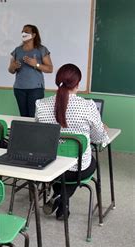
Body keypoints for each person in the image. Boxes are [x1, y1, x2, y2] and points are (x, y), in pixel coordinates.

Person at [35, 63, 109, 220]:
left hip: (50, 167)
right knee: (88, 162)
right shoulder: (88, 106)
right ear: (77, 83)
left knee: (61, 166)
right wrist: (101, 128)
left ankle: (60, 197)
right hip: (77, 170)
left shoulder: (41, 105)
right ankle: (62, 197)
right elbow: (98, 139)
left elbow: (39, 135)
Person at [8, 24, 53, 117]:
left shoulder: (41, 49)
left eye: (27, 32)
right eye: (22, 32)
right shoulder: (17, 50)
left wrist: (35, 64)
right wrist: (13, 67)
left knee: (34, 116)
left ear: (34, 35)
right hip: (19, 89)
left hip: (35, 89)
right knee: (23, 116)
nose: (23, 34)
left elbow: (50, 69)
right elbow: (10, 70)